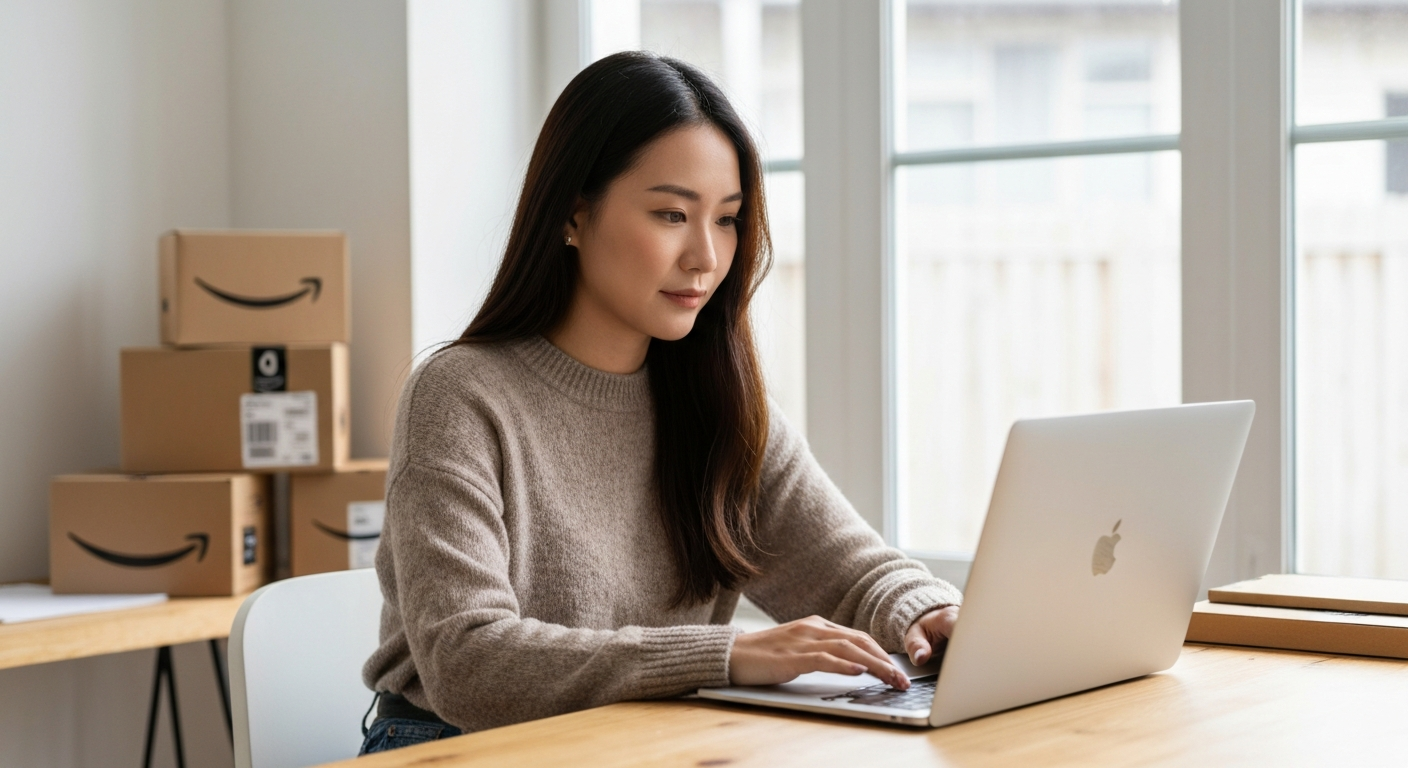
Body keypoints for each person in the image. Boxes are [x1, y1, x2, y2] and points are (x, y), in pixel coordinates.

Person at [358, 51, 962, 755]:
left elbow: (853, 573)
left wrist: (930, 611)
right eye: (672, 214)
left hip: (647, 739)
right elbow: (468, 662)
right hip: (455, 744)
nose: (706, 256)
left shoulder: (716, 399)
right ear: (573, 215)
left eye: (728, 219)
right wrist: (726, 655)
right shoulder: (460, 396)